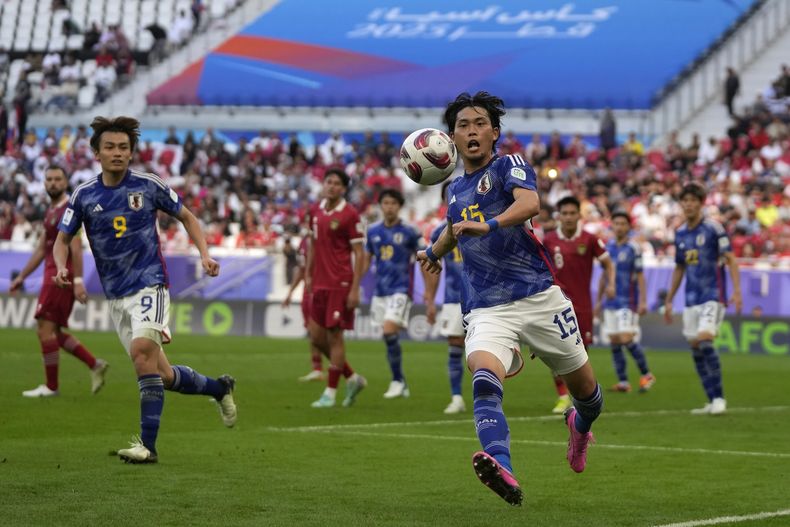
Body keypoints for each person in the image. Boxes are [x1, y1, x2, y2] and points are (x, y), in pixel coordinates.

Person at [417, 92, 603, 506]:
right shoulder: (455, 190)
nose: (472, 130)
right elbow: (454, 228)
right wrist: (432, 253)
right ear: (451, 138)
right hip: (487, 305)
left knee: (588, 394)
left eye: (480, 123)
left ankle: (580, 426)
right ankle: (502, 465)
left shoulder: (509, 165)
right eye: (463, 125)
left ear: (494, 133)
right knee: (484, 378)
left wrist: (492, 224)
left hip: (539, 296)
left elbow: (530, 202)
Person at [54, 116, 236, 464]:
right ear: (97, 152)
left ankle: (148, 447)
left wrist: (204, 254)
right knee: (161, 374)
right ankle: (219, 388)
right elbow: (62, 240)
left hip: (150, 282)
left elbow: (188, 217)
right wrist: (62, 266)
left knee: (141, 353)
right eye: (110, 147)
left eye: (124, 147)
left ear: (132, 152)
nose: (117, 153)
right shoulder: (84, 195)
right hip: (116, 295)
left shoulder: (148, 185)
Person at [10, 166, 109, 397]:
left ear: (66, 182)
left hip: (59, 277)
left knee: (44, 331)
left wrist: (77, 280)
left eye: (57, 179)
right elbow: (40, 250)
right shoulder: (51, 211)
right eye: (49, 179)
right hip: (51, 274)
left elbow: (75, 246)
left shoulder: (69, 209)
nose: (53, 183)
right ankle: (95, 364)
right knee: (52, 331)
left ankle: (51, 387)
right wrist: (22, 277)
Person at [664, 183, 742, 415]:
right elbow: (679, 268)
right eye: (684, 200)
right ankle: (710, 399)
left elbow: (730, 259)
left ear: (701, 202)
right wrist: (669, 299)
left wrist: (736, 291)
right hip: (691, 298)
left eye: (692, 200)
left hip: (713, 295)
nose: (688, 204)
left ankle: (719, 398)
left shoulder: (713, 229)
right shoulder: (680, 233)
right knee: (696, 348)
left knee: (706, 340)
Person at [543, 196, 614, 413]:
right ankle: (563, 396)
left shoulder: (590, 239)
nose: (568, 217)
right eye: (564, 213)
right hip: (556, 305)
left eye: (572, 213)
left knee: (581, 354)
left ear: (578, 216)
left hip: (582, 305)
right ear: (559, 216)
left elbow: (608, 264)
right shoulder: (549, 240)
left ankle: (579, 396)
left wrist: (610, 283)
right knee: (555, 352)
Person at [306, 168, 367, 408]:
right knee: (316, 337)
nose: (331, 186)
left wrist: (355, 288)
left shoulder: (350, 214)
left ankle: (330, 393)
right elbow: (312, 243)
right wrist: (309, 275)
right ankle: (352, 377)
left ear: (343, 189)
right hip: (319, 282)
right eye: (328, 182)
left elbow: (359, 254)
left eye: (336, 184)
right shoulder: (316, 210)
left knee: (335, 337)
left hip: (340, 282)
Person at [363, 188, 425, 399]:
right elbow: (366, 258)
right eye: (385, 203)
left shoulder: (410, 231)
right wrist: (355, 286)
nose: (389, 207)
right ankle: (401, 380)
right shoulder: (372, 231)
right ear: (381, 206)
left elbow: (425, 258)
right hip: (380, 291)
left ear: (399, 206)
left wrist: (426, 290)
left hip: (401, 289)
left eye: (393, 203)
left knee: (389, 331)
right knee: (388, 336)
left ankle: (397, 381)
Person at [595, 212, 655, 393]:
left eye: (622, 224)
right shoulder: (608, 247)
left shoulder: (633, 248)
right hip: (610, 302)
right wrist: (598, 301)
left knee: (625, 337)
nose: (619, 227)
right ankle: (623, 382)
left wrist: (643, 301)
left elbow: (640, 275)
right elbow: (604, 276)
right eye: (616, 223)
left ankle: (647, 374)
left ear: (628, 227)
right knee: (614, 341)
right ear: (611, 225)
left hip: (627, 301)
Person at [424, 180, 467, 414]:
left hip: (483, 298)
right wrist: (430, 300)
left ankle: (489, 399)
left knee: (484, 352)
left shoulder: (480, 224)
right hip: (453, 297)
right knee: (454, 345)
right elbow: (433, 267)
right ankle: (457, 397)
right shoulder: (438, 231)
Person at [282, 234, 324, 382]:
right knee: (312, 332)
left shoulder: (324, 237)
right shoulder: (304, 241)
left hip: (322, 288)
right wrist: (290, 293)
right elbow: (301, 270)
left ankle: (336, 367)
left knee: (320, 332)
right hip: (307, 291)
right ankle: (317, 368)